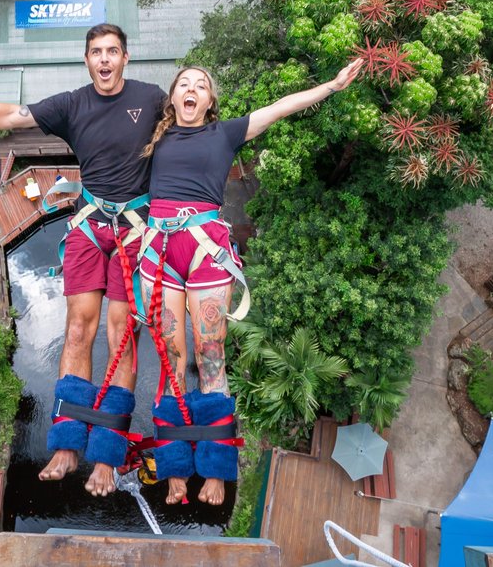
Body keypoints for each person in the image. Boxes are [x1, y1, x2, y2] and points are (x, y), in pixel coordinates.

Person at [0, 24, 166, 496]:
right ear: (86, 60)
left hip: (135, 228)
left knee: (122, 334)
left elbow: (192, 126)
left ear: (126, 58)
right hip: (89, 223)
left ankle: (106, 453)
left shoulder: (151, 96)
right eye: (96, 52)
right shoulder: (71, 103)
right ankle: (66, 442)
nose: (104, 60)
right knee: (78, 329)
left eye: (113, 52)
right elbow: (10, 115)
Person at [139, 58, 363, 506]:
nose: (191, 89)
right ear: (172, 98)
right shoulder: (156, 133)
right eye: (184, 84)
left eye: (200, 86)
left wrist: (332, 86)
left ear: (209, 102)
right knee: (171, 360)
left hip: (204, 247)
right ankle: (176, 469)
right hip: (159, 248)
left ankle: (217, 469)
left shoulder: (225, 133)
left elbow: (280, 107)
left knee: (210, 357)